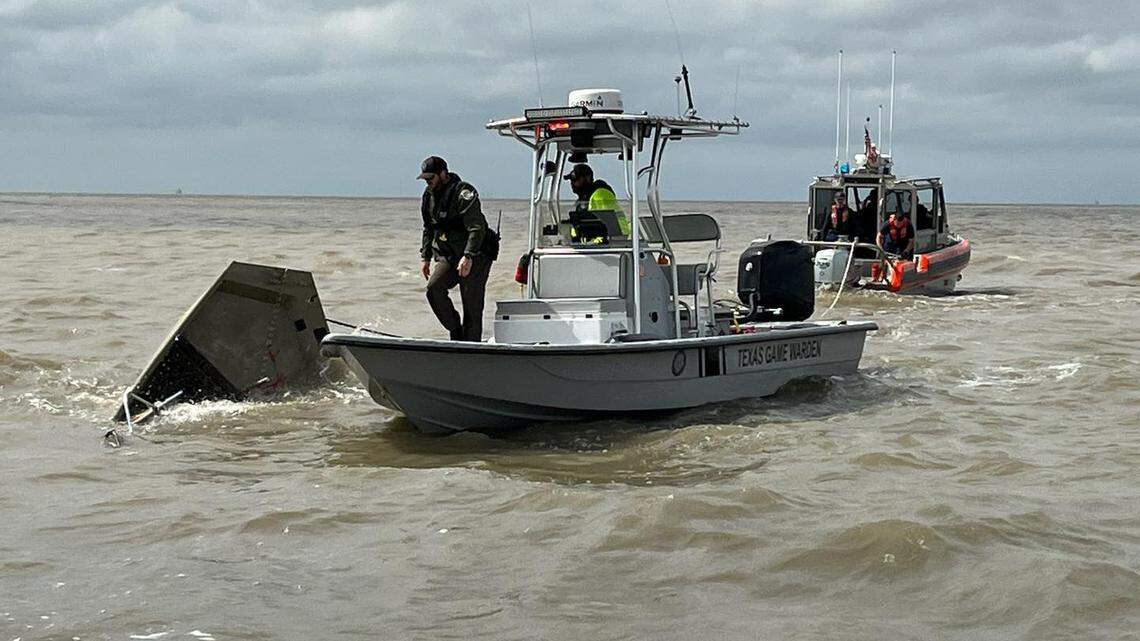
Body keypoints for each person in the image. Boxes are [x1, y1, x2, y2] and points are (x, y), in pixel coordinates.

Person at [418, 156, 497, 341]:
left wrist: (468, 255)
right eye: (425, 179)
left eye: (431, 178)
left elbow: (476, 227)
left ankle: (472, 346)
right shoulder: (428, 196)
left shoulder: (464, 192)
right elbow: (429, 227)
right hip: (448, 255)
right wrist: (425, 257)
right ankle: (455, 329)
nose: (428, 182)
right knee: (434, 289)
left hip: (476, 254)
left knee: (472, 307)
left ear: (443, 174)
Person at [563, 163, 630, 241]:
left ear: (587, 178)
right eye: (571, 180)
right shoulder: (583, 200)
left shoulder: (600, 194)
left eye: (576, 179)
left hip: (616, 238)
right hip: (600, 241)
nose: (572, 183)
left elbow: (608, 224)